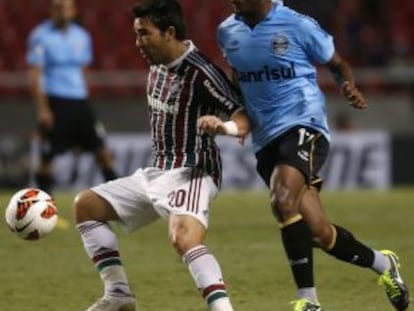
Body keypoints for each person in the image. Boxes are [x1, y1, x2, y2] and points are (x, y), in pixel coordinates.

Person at [198, 1, 410, 310]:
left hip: (304, 122)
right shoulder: (227, 31)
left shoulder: (297, 24)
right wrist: (237, 118)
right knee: (318, 232)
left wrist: (347, 86)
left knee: (282, 199)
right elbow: (237, 78)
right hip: (265, 137)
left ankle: (308, 300)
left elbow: (337, 64)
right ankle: (383, 264)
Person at [73, 0, 249, 310]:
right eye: (136, 35)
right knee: (86, 206)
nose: (138, 43)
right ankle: (118, 296)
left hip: (194, 171)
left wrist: (225, 128)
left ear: (169, 32)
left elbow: (243, 115)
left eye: (144, 34)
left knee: (183, 238)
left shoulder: (201, 72)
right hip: (158, 172)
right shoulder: (156, 64)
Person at [27, 0, 116, 192]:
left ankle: (117, 203)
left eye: (66, 7)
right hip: (56, 101)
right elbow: (35, 73)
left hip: (80, 102)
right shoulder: (40, 36)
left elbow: (84, 70)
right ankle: (44, 208)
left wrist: (86, 98)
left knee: (103, 152)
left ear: (73, 11)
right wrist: (43, 109)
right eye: (58, 7)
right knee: (47, 157)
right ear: (52, 10)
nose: (62, 11)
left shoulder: (82, 36)